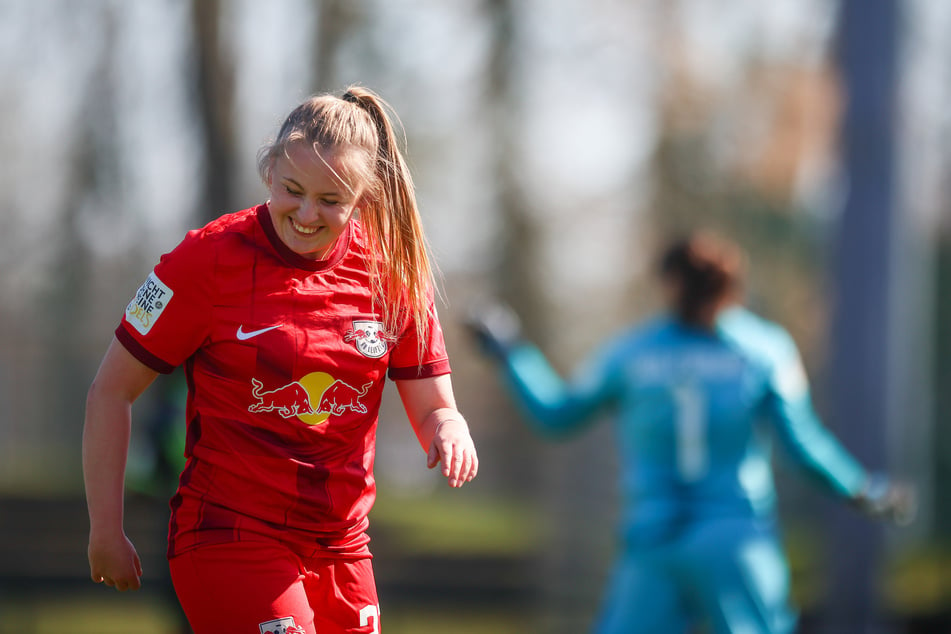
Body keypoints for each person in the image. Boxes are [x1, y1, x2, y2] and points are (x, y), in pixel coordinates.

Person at [83, 85, 479, 634]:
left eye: (332, 200)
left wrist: (449, 428)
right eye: (293, 190)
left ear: (363, 199)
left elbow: (435, 405)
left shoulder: (393, 274)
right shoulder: (204, 260)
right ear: (269, 170)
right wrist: (106, 529)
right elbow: (112, 390)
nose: (308, 213)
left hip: (342, 548)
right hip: (229, 535)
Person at [466, 231, 914, 634]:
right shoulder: (764, 350)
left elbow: (556, 415)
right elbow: (804, 446)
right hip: (735, 543)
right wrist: (863, 488)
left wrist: (509, 351)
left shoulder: (632, 354)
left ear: (669, 284)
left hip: (654, 542)